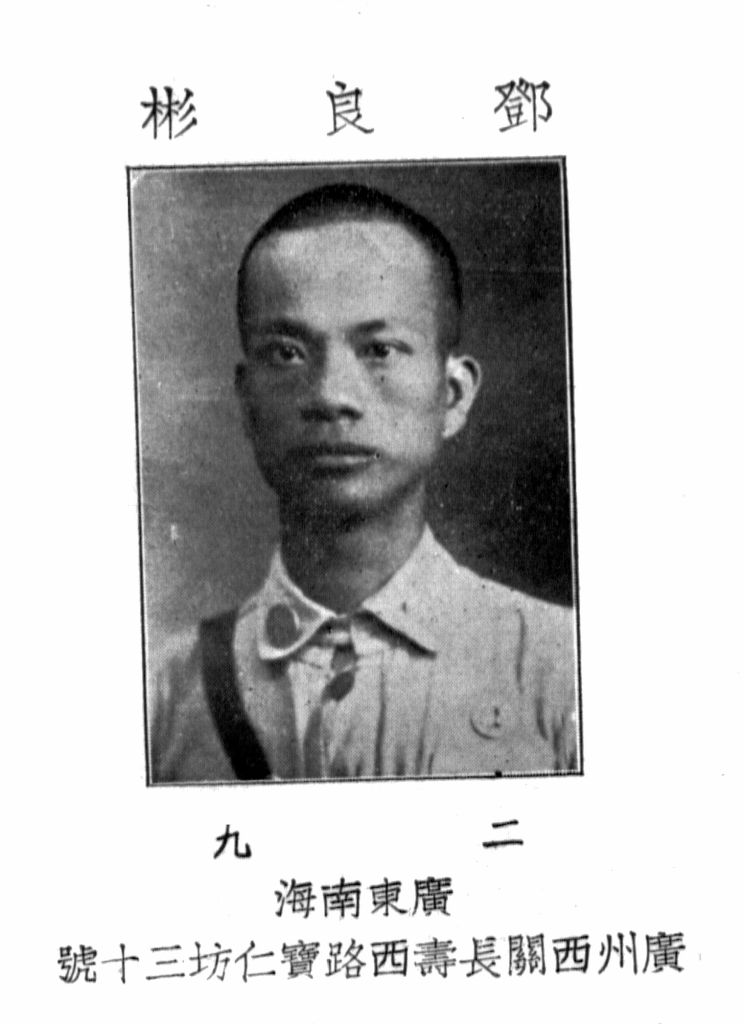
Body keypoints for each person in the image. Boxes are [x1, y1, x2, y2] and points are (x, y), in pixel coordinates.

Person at [149, 182, 578, 783]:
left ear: (453, 395)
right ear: (247, 405)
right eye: (287, 353)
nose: (331, 396)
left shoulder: (564, 668)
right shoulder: (162, 691)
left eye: (379, 350)